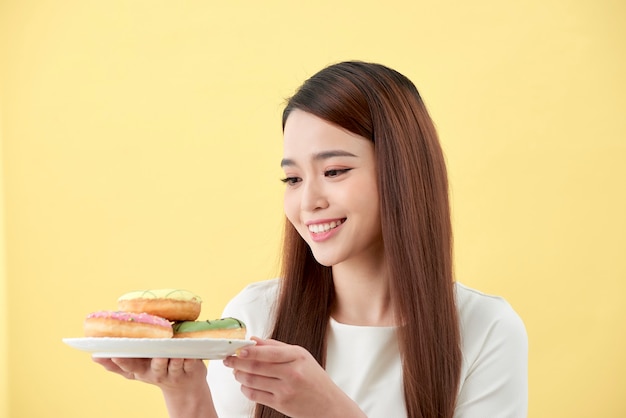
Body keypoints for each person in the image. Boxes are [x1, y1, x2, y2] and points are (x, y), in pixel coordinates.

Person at [94, 60, 528, 418]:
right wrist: (184, 392)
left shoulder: (485, 329)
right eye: (293, 178)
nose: (309, 201)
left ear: (403, 174)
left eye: (335, 171)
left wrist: (331, 411)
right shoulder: (257, 316)